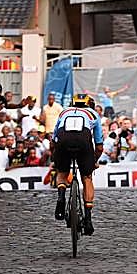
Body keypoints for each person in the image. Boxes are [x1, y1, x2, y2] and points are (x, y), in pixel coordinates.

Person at [52, 92, 104, 235]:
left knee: (62, 172)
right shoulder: (93, 114)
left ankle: (61, 198)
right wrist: (94, 161)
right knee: (87, 178)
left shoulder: (64, 112)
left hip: (63, 139)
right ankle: (88, 220)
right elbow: (99, 146)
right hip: (83, 141)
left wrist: (56, 156)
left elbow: (54, 139)